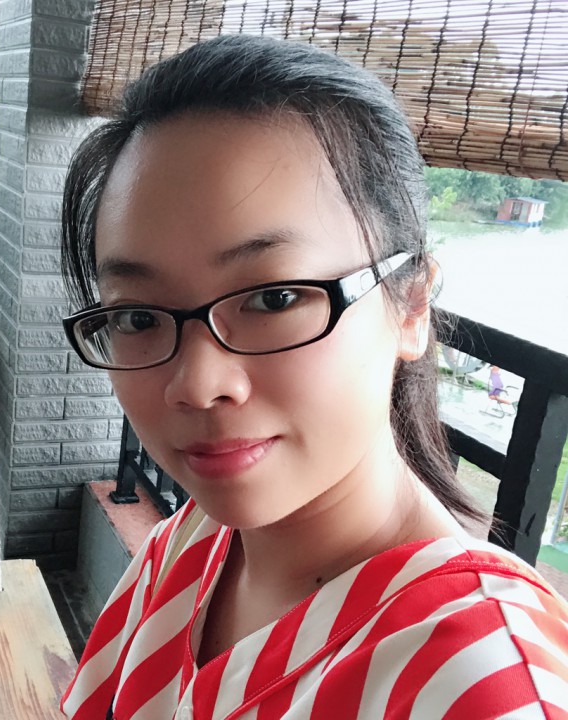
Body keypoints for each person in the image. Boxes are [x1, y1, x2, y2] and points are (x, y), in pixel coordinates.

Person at [59, 35, 568, 719]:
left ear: (412, 304)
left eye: (273, 299)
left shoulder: (482, 684)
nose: (198, 384)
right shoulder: (190, 545)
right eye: (138, 316)